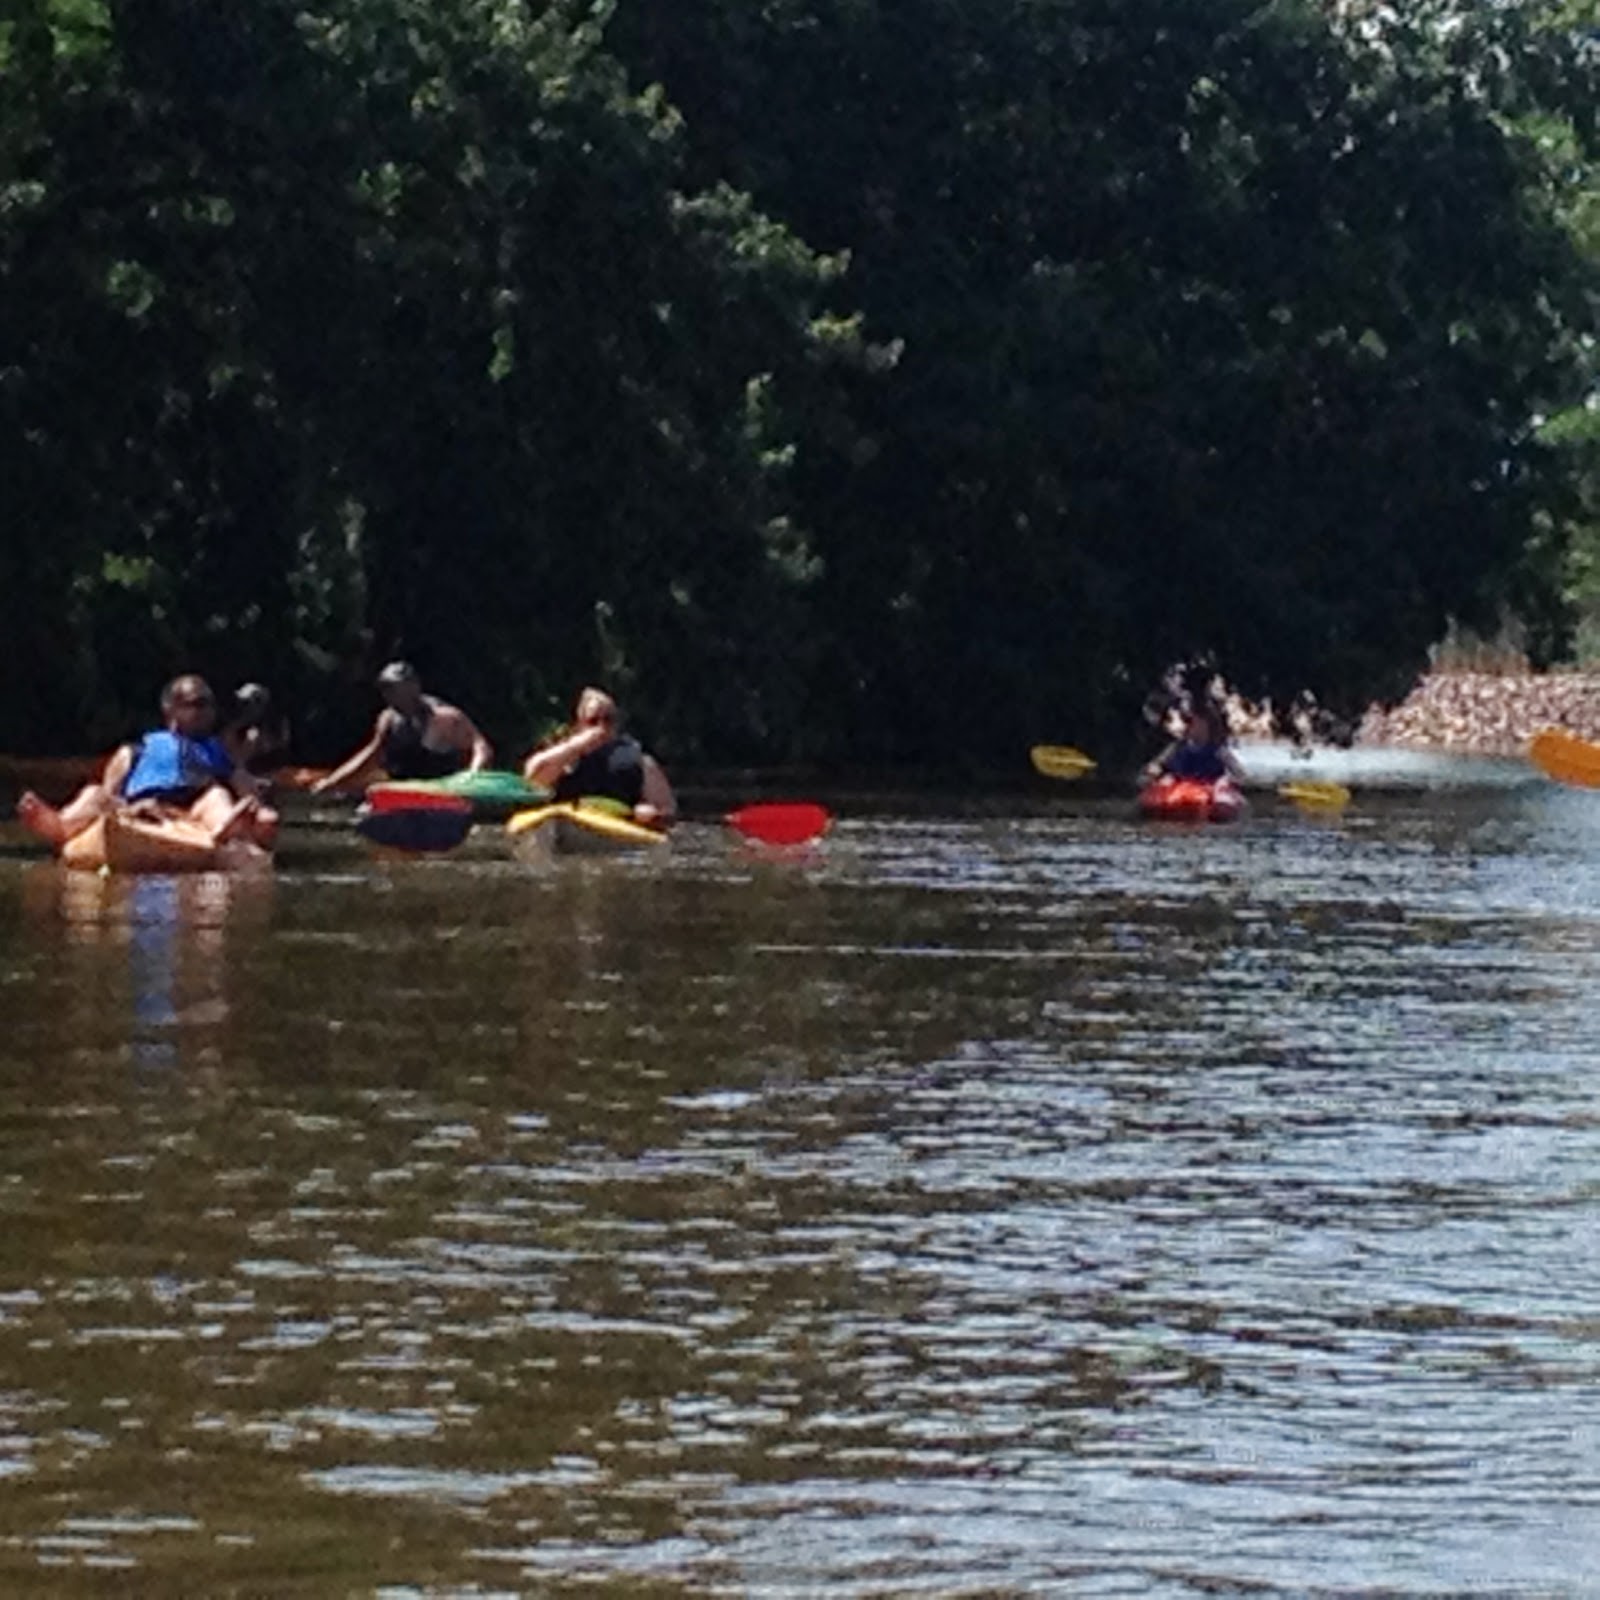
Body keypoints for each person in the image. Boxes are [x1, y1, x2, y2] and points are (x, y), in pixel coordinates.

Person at [17, 675, 269, 848]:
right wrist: (129, 810)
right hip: (138, 810)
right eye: (197, 705)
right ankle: (60, 825)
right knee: (94, 793)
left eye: (210, 705)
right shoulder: (136, 750)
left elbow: (243, 784)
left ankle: (224, 830)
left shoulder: (217, 751)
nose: (207, 712)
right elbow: (110, 793)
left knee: (216, 796)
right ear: (172, 710)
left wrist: (257, 808)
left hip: (193, 812)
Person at [311, 661, 492, 794]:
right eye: (386, 690)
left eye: (395, 689)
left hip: (441, 790)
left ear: (414, 687)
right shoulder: (387, 718)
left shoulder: (445, 718)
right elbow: (371, 755)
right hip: (402, 789)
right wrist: (332, 781)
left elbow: (481, 747)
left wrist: (472, 776)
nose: (390, 695)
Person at [522, 687, 676, 827]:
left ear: (615, 724)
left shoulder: (640, 760)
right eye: (593, 721)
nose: (601, 727)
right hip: (569, 822)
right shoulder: (562, 755)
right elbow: (532, 779)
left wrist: (652, 814)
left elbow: (668, 810)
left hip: (618, 829)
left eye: (608, 720)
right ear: (580, 725)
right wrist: (575, 746)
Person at [1142, 699, 1246, 785]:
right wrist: (1157, 773)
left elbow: (1239, 774)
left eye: (1201, 725)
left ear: (1209, 727)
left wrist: (1228, 781)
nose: (1196, 728)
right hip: (1182, 789)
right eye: (1193, 724)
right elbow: (1157, 765)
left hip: (1210, 788)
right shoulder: (1177, 748)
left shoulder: (1218, 750)